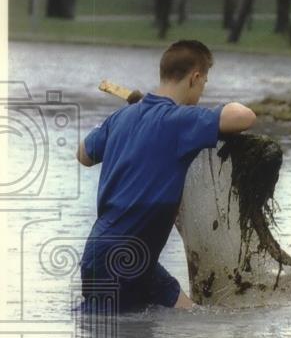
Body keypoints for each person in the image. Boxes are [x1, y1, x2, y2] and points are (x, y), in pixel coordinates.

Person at [76, 40, 257, 313]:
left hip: (131, 259)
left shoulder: (122, 117)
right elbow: (244, 116)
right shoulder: (180, 121)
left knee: (193, 316)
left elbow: (83, 154)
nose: (203, 89)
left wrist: (125, 120)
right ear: (195, 77)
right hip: (120, 260)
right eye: (205, 82)